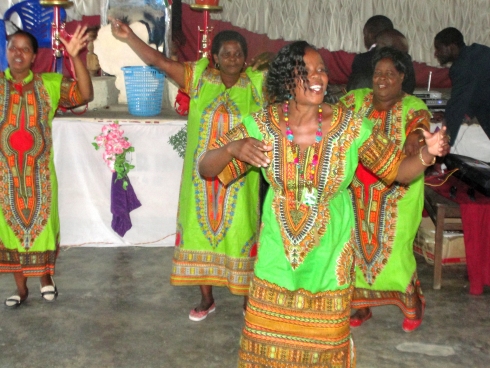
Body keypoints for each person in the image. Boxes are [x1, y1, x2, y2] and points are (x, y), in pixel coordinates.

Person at [199, 41, 448, 366]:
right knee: (264, 348)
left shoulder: (351, 126)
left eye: (322, 71)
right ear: (288, 80)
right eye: (307, 72)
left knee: (325, 351)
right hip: (276, 259)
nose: (318, 78)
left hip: (330, 262)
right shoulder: (264, 124)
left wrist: (429, 154)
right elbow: (206, 167)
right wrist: (232, 148)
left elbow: (400, 172)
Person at [110, 19, 270, 321]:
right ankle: (206, 298)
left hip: (239, 181)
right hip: (200, 182)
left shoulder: (258, 86)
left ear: (246, 59)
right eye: (226, 53)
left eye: (238, 54)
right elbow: (157, 60)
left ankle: (249, 301)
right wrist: (130, 37)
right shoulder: (198, 79)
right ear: (215, 57)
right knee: (198, 234)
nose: (232, 58)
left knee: (242, 234)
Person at [1, 27, 93, 307]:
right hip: (5, 178)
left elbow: (85, 94)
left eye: (24, 49)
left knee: (40, 231)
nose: (18, 53)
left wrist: (75, 56)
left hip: (39, 176)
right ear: (6, 51)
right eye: (13, 47)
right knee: (9, 233)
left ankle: (45, 279)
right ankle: (21, 289)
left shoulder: (49, 83)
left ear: (33, 57)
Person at [340, 47, 430, 333]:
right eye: (378, 73)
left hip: (397, 194)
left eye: (390, 74)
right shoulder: (357, 100)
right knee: (354, 248)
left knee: (397, 251)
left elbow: (420, 124)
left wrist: (416, 136)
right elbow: (331, 114)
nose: (381, 79)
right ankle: (362, 305)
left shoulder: (413, 105)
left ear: (402, 77)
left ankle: (411, 303)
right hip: (356, 193)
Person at [433, 27, 490, 147]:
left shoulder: (461, 67)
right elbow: (477, 95)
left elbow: (457, 105)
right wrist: (448, 115)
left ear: (452, 47)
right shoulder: (479, 53)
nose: (436, 53)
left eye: (439, 48)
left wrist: (444, 144)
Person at [346, 15, 393, 91]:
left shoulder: (362, 59)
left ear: (370, 35)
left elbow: (355, 88)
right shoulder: (405, 58)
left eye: (365, 35)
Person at [375, 29, 416, 94]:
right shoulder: (364, 65)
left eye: (405, 54)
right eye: (399, 54)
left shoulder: (406, 65)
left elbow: (407, 92)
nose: (404, 58)